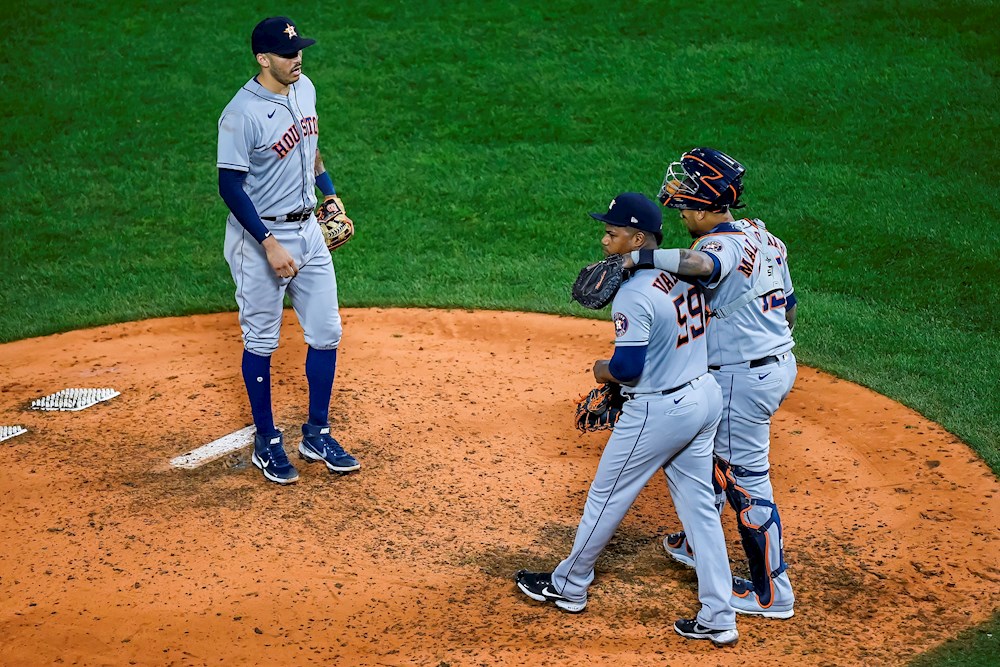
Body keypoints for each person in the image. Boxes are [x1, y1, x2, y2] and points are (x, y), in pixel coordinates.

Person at [515, 192, 739, 647]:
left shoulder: (633, 295)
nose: (604, 241)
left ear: (638, 238)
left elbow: (627, 369)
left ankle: (569, 585)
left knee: (606, 497)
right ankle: (719, 614)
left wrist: (602, 369)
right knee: (699, 511)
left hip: (660, 411)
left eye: (613, 234)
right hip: (703, 398)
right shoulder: (683, 271)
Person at [626, 147, 798, 619]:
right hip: (775, 363)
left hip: (743, 379)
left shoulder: (715, 246)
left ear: (704, 202)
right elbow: (790, 304)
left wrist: (641, 258)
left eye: (685, 191)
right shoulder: (765, 236)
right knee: (708, 452)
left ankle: (771, 593)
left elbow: (706, 268)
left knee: (747, 481)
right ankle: (694, 540)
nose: (677, 199)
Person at [216, 16, 359, 484]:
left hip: (308, 231)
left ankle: (316, 432)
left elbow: (311, 149)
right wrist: (269, 243)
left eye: (299, 51)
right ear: (263, 58)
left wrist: (329, 192)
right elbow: (230, 187)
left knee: (327, 330)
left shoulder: (305, 88)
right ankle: (267, 441)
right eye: (286, 54)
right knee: (261, 339)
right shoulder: (241, 114)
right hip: (259, 237)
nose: (297, 59)